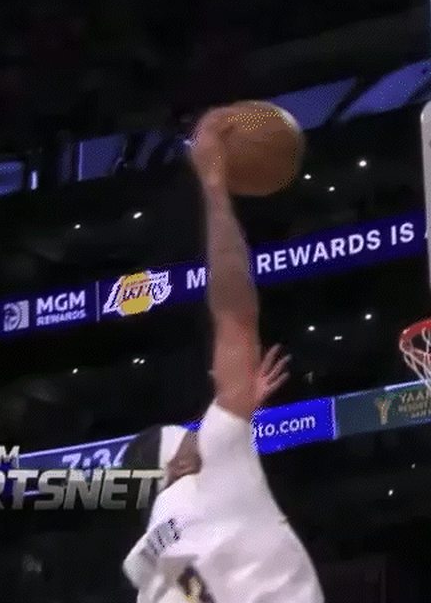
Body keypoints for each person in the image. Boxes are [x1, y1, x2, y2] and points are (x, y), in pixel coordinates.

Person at [122, 107, 325, 603]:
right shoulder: (210, 468)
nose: (196, 435)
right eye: (188, 438)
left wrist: (236, 406)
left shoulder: (145, 564)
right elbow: (234, 311)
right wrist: (214, 188)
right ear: (177, 465)